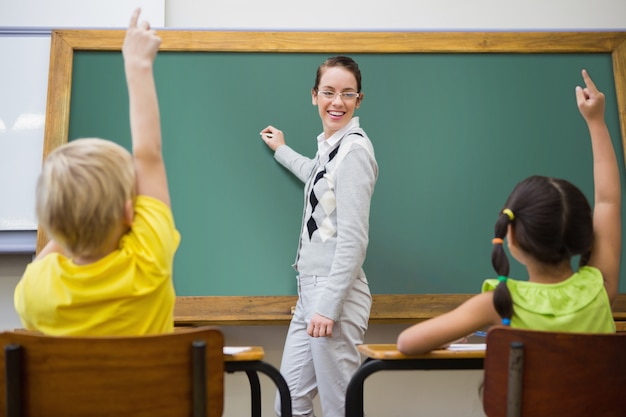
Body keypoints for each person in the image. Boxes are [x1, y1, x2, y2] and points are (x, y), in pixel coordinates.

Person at [397, 69, 621, 355]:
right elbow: (608, 202)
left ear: (510, 236)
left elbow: (407, 343)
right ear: (583, 234)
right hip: (601, 403)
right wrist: (596, 121)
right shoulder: (599, 288)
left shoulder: (499, 303)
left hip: (526, 404)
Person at [14, 8, 179, 336]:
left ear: (51, 225)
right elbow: (148, 154)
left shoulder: (34, 293)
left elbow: (55, 246)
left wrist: (66, 222)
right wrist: (138, 65)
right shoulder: (148, 263)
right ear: (129, 211)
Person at [259, 56, 378, 417]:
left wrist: (327, 305)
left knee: (339, 406)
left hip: (333, 295)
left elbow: (355, 241)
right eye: (328, 92)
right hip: (310, 291)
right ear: (314, 95)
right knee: (289, 402)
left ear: (359, 99)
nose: (336, 102)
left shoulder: (355, 152)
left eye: (347, 93)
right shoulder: (332, 149)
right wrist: (281, 150)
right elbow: (316, 175)